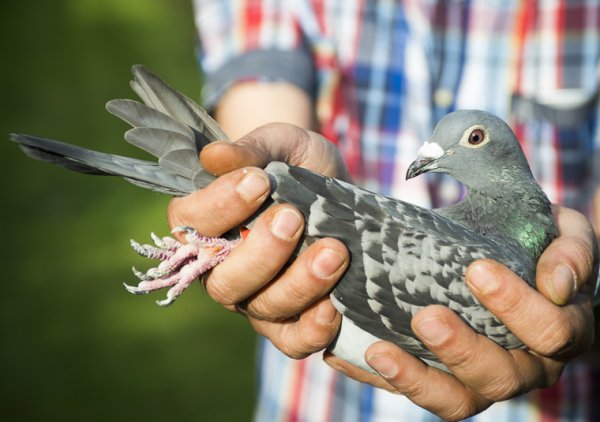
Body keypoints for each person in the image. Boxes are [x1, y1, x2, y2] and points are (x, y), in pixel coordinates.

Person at [170, 1, 600, 420]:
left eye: (471, 139)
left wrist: (592, 288)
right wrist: (249, 197)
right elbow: (260, 76)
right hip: (321, 392)